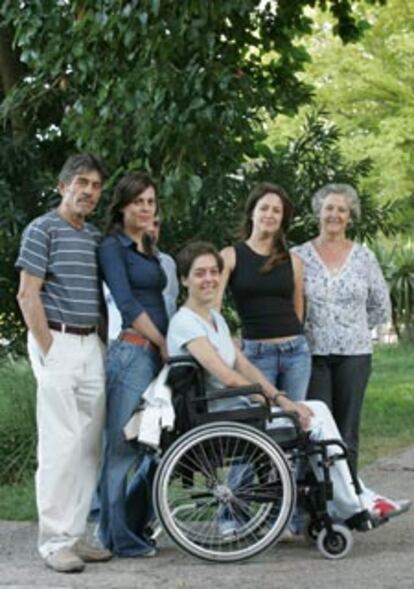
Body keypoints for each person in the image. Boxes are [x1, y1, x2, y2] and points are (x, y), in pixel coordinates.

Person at [167, 241, 410, 525]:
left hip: (240, 409)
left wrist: (280, 398)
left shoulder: (215, 319)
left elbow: (245, 366)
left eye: (213, 272)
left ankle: (355, 497)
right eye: (199, 273)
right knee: (314, 424)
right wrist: (278, 404)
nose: (209, 279)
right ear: (184, 279)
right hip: (224, 416)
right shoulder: (185, 323)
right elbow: (229, 378)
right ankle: (352, 505)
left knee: (315, 409)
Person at [16, 153, 112, 573]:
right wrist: (48, 348)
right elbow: (27, 294)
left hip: (91, 344)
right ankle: (54, 542)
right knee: (60, 444)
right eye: (82, 183)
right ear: (63, 186)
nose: (89, 191)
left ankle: (75, 534)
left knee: (90, 445)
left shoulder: (93, 238)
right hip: (55, 340)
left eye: (95, 186)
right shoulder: (42, 229)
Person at [293, 183, 391, 475]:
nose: (334, 214)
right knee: (316, 429)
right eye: (329, 208)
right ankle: (316, 507)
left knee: (347, 430)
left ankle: (349, 503)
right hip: (313, 355)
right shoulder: (298, 255)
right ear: (318, 213)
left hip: (355, 355)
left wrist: (353, 329)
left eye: (342, 209)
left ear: (350, 217)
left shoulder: (364, 258)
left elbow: (381, 305)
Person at [97, 171, 168, 557]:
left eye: (150, 202)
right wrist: (161, 341)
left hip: (155, 357)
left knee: (152, 446)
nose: (145, 208)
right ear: (123, 205)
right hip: (133, 354)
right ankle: (117, 539)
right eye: (138, 201)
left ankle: (123, 530)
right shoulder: (112, 246)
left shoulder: (149, 245)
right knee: (120, 452)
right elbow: (126, 303)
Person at [217, 182, 311, 402]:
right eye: (264, 208)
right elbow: (213, 308)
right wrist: (228, 339)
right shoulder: (230, 256)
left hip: (296, 354)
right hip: (256, 355)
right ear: (252, 213)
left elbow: (298, 309)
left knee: (296, 422)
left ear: (282, 220)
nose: (270, 214)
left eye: (277, 211)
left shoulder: (294, 261)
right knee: (261, 421)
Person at [103, 214, 179, 341]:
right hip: (123, 343)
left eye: (156, 224)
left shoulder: (167, 263)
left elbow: (170, 304)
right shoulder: (115, 257)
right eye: (146, 223)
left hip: (161, 347)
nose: (152, 229)